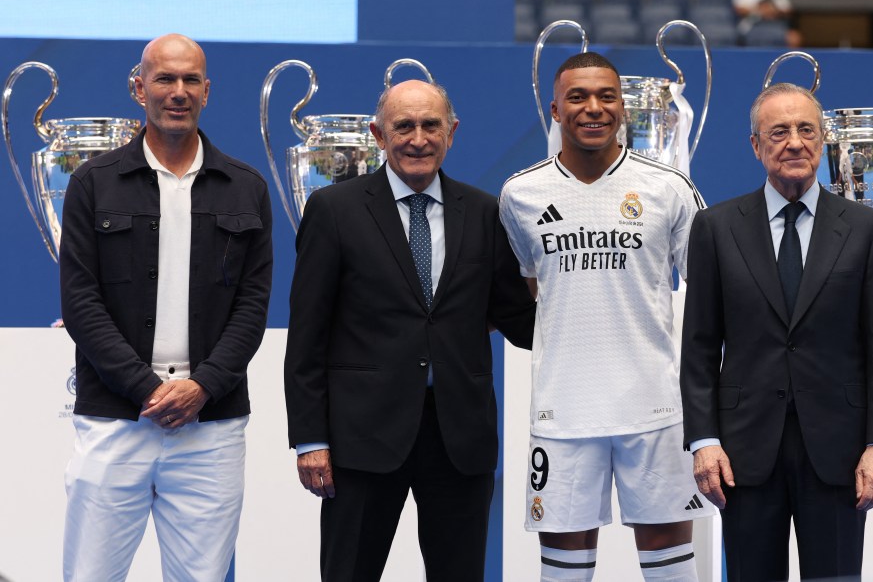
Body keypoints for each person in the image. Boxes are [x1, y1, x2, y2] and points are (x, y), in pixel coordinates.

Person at [284, 79, 536, 581]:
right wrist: (310, 439)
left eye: (430, 125)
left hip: (459, 439)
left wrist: (582, 279)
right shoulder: (334, 209)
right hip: (361, 439)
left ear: (452, 132)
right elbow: (307, 334)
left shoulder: (486, 213)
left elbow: (520, 321)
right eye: (404, 126)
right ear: (379, 134)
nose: (418, 138)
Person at [58, 34, 273, 581]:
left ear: (207, 90)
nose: (178, 92)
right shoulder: (92, 184)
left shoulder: (246, 188)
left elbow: (252, 306)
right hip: (115, 419)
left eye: (190, 80)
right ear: (139, 88)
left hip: (212, 427)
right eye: (164, 79)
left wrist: (202, 386)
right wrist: (148, 389)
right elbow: (81, 303)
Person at [499, 52, 711, 582]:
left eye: (606, 96)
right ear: (554, 109)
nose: (593, 108)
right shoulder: (520, 195)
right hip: (563, 414)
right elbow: (526, 292)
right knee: (564, 573)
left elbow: (711, 294)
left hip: (657, 410)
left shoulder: (670, 189)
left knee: (671, 572)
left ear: (623, 107)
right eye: (577, 97)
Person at [680, 82, 873, 581]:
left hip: (840, 449)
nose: (794, 142)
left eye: (806, 129)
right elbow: (697, 347)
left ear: (823, 140)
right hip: (742, 451)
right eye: (778, 131)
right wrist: (703, 441)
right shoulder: (714, 228)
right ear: (756, 145)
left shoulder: (867, 228)